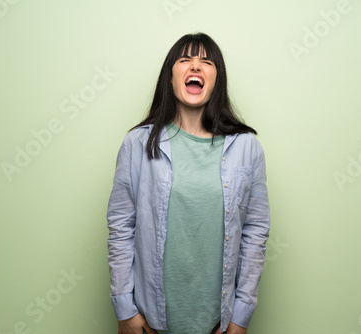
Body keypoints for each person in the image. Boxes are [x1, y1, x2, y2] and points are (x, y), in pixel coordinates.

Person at [107, 32, 270, 334]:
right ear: (170, 78)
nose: (195, 67)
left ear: (216, 80)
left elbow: (255, 233)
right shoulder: (136, 144)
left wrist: (240, 317)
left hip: (218, 323)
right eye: (185, 60)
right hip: (149, 319)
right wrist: (124, 309)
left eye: (206, 62)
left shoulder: (247, 147)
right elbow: (120, 227)